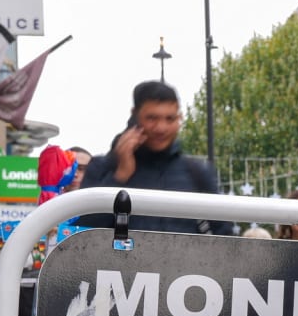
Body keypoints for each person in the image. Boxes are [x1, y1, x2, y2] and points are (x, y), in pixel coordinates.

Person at [79, 81, 232, 235]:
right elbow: (82, 236)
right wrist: (119, 177)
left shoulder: (197, 172)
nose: (161, 128)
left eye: (170, 119)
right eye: (152, 118)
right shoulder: (101, 167)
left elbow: (227, 241)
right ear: (135, 116)